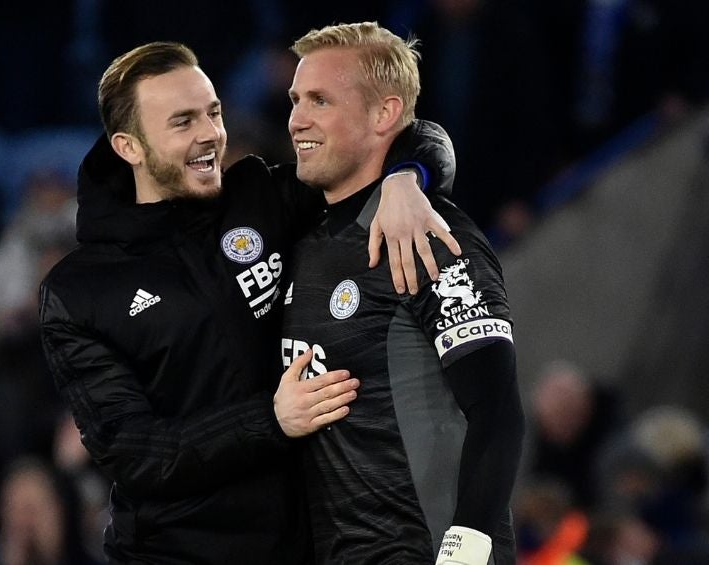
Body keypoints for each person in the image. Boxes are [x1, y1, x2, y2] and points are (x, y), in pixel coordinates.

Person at [39, 41, 459, 564]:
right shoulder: (80, 292)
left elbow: (415, 137)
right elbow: (136, 454)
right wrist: (272, 419)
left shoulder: (262, 197)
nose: (209, 135)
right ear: (129, 147)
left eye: (213, 113)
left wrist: (403, 180)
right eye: (182, 122)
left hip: (307, 544)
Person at [280, 22, 524, 564]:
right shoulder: (301, 240)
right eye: (295, 99)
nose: (297, 119)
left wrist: (466, 549)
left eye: (320, 100)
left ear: (385, 114)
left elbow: (496, 408)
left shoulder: (428, 234)